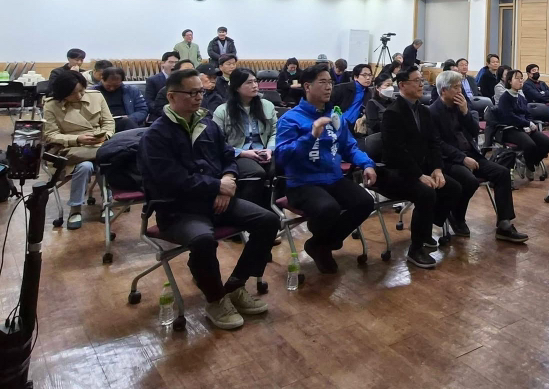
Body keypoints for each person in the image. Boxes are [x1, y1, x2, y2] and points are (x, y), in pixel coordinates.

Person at [138, 69, 277, 330]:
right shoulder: (156, 135)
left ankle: (235, 285)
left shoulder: (207, 124)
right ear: (171, 96)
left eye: (201, 92)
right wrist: (216, 187)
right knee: (203, 239)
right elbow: (170, 180)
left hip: (216, 200)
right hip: (178, 209)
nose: (198, 97)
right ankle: (215, 299)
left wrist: (228, 179)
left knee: (268, 220)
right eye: (191, 93)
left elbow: (227, 156)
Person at [275, 64, 377, 274]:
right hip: (302, 183)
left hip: (332, 178)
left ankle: (320, 244)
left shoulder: (334, 116)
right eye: (322, 82)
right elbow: (282, 156)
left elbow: (349, 146)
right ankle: (324, 242)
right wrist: (311, 136)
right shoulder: (290, 119)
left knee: (365, 201)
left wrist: (367, 164)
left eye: (330, 82)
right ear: (307, 86)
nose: (329, 87)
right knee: (328, 208)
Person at [430, 70, 528, 242]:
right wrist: (462, 158)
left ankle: (504, 224)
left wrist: (465, 112)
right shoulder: (432, 112)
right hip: (449, 160)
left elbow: (475, 131)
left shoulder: (460, 105)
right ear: (444, 90)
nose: (460, 91)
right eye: (456, 87)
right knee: (470, 181)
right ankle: (457, 216)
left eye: (460, 86)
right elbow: (437, 144)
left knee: (502, 173)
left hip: (471, 154)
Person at [380, 68, 462, 269]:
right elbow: (396, 151)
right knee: (426, 193)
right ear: (402, 85)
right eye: (416, 81)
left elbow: (434, 143)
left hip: (420, 168)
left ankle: (425, 229)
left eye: (422, 80)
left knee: (453, 187)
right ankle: (415, 249)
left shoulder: (423, 111)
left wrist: (437, 169)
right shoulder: (392, 113)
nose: (421, 84)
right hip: (397, 172)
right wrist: (418, 175)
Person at [42, 70, 114, 229]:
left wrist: (106, 136)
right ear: (62, 93)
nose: (79, 96)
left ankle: (107, 203)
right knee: (85, 166)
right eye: (73, 93)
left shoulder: (96, 96)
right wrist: (76, 138)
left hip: (99, 144)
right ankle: (75, 208)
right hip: (70, 150)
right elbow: (50, 135)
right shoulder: (51, 105)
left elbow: (109, 123)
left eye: (82, 90)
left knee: (103, 164)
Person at [212, 68, 278, 210]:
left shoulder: (267, 106)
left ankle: (273, 210)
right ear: (237, 87)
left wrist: (270, 149)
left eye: (255, 81)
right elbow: (217, 142)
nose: (255, 85)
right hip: (238, 154)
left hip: (264, 152)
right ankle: (247, 210)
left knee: (281, 167)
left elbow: (275, 131)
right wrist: (242, 153)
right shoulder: (222, 111)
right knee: (257, 172)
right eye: (249, 82)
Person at [495, 69, 549, 179]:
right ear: (509, 81)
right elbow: (510, 117)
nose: (520, 80)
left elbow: (528, 114)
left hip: (524, 127)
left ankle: (530, 162)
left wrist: (529, 124)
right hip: (510, 129)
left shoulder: (521, 98)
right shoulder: (505, 98)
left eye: (521, 78)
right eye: (517, 78)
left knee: (548, 143)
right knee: (530, 145)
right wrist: (527, 123)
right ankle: (530, 166)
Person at [93, 66, 148, 131]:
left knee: (127, 122)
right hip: (103, 124)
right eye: (108, 86)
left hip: (127, 121)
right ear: (102, 79)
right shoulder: (92, 92)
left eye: (116, 86)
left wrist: (131, 117)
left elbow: (142, 110)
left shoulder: (131, 91)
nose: (112, 88)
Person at [329, 63, 374, 135]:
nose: (368, 78)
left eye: (370, 75)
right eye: (364, 75)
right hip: (336, 123)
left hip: (354, 127)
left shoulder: (370, 93)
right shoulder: (342, 88)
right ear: (355, 77)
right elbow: (328, 105)